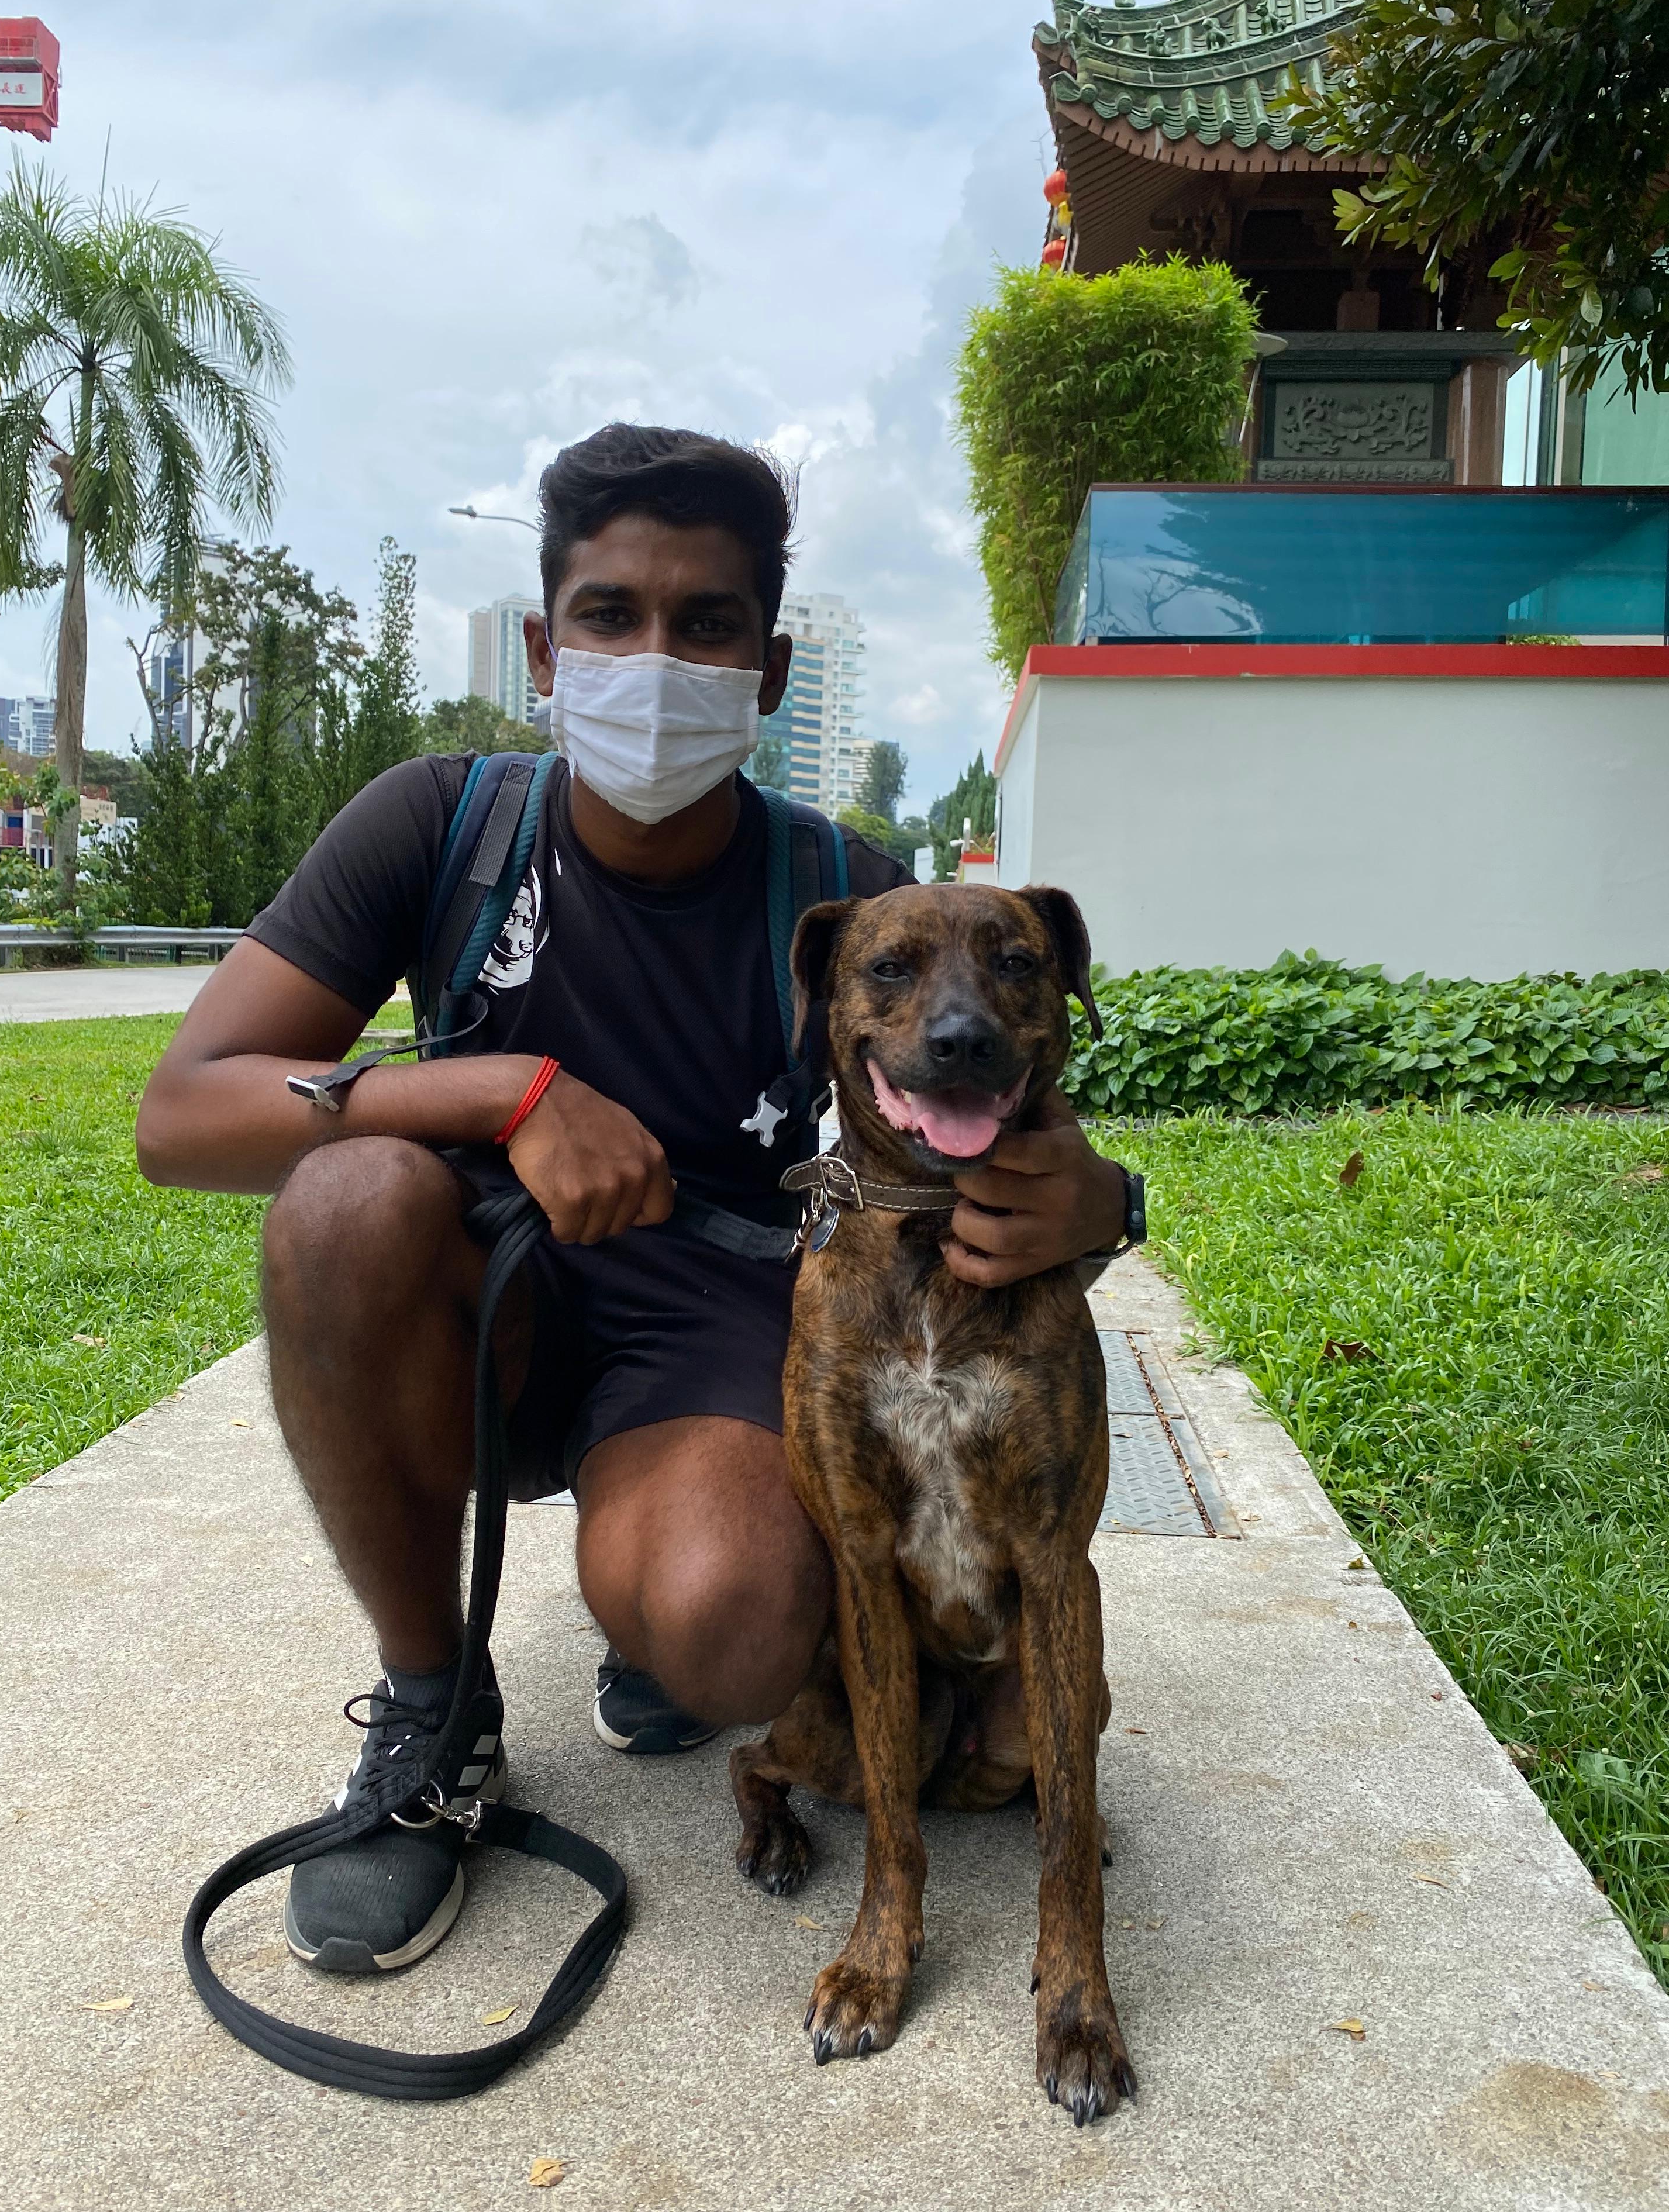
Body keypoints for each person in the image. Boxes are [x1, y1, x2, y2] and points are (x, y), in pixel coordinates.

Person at [135, 422, 1130, 1976]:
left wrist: (1101, 1200)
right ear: (549, 643)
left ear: (770, 669)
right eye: (612, 615)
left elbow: (984, 1097)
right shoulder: (439, 824)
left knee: (731, 1627)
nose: (654, 657)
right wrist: (501, 1090)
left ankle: (661, 1612)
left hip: (711, 1330)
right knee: (342, 1207)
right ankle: (432, 1712)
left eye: (706, 624)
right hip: (478, 1309)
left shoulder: (843, 887)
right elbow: (183, 1114)